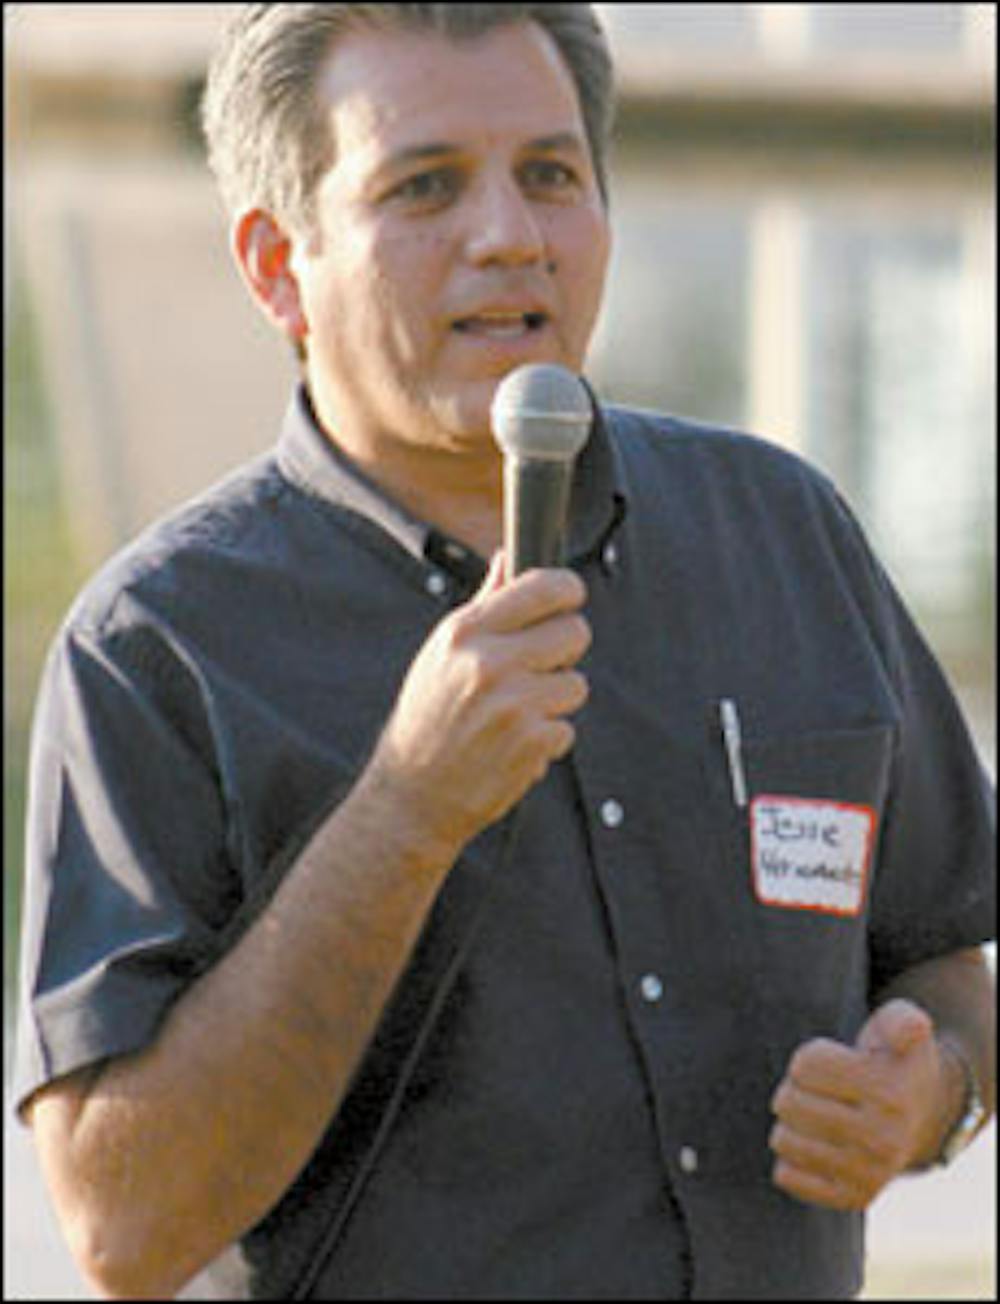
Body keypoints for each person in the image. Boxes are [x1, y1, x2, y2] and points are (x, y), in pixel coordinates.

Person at [13, 5, 995, 1300]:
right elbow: (123, 1227)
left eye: (550, 174)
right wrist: (405, 810)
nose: (510, 236)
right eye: (425, 186)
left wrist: (933, 1092)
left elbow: (947, 962)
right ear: (277, 266)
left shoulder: (783, 532)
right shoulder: (158, 649)